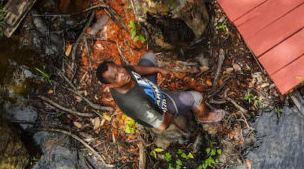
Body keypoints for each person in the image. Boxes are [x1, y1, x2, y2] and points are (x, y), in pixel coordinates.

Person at [95, 52, 224, 131]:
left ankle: (196, 113)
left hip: (148, 88)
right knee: (197, 98)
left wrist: (157, 70)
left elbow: (135, 69)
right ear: (111, 85)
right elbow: (161, 126)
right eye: (116, 77)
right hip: (160, 104)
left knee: (149, 57)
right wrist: (168, 117)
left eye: (118, 69)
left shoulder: (123, 72)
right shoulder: (136, 104)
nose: (122, 74)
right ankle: (204, 117)